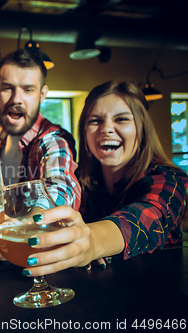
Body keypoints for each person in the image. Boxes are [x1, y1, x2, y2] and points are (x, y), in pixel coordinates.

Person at [16, 81, 188, 277]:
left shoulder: (169, 179)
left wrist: (93, 242)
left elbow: (146, 220)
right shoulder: (80, 181)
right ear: (84, 132)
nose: (106, 128)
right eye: (95, 121)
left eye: (121, 119)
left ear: (142, 128)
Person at [0, 49, 81, 261]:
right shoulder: (1, 141)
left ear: (42, 95)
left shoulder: (52, 140)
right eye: (8, 88)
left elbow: (61, 186)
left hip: (44, 267)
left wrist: (26, 223)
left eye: (28, 90)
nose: (16, 99)